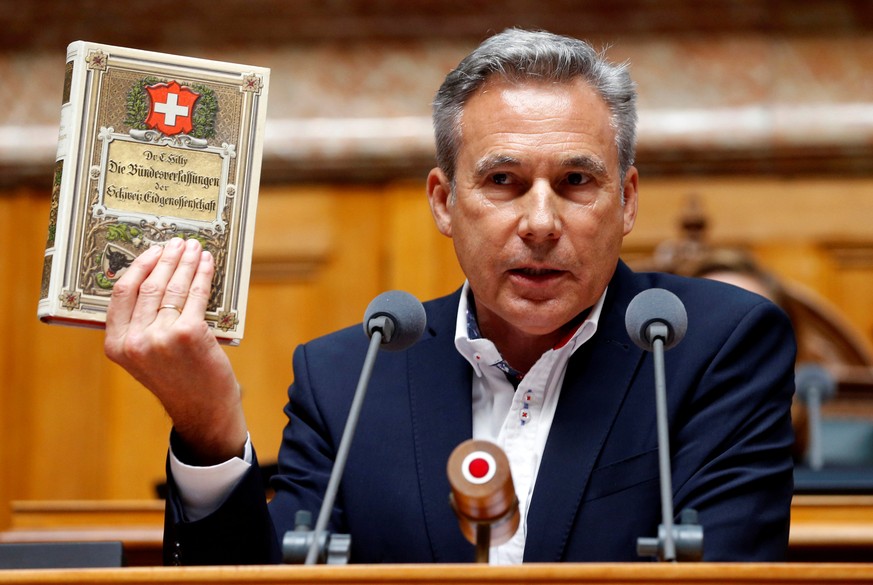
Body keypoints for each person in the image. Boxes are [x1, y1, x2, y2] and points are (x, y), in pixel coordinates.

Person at [104, 28, 796, 565]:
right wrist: (209, 426)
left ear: (626, 200)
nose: (540, 221)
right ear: (443, 201)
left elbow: (727, 567)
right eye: (502, 180)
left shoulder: (712, 347)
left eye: (577, 181)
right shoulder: (346, 377)